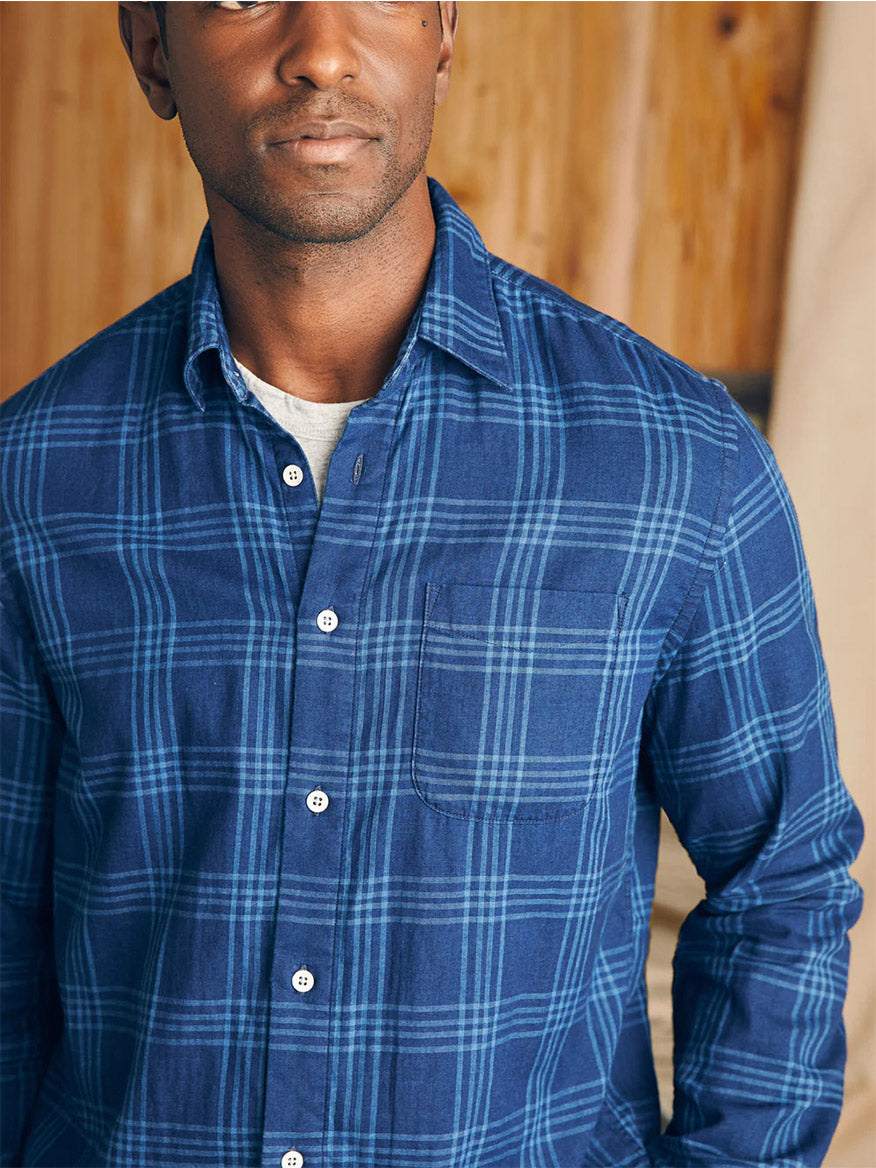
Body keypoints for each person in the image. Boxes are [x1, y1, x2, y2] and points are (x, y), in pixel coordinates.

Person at [0, 3, 863, 1166]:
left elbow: (781, 885)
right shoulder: (34, 479)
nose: (320, 49)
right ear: (152, 50)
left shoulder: (677, 465)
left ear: (445, 33)